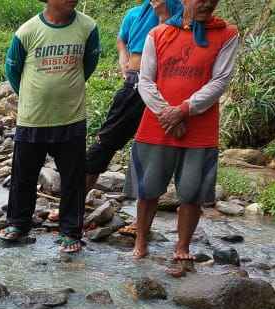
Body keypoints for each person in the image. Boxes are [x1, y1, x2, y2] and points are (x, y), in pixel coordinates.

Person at [129, 0, 239, 260]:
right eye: (201, 0)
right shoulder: (158, 33)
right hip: (157, 125)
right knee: (148, 189)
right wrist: (167, 113)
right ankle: (141, 242)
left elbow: (220, 80)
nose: (208, 4)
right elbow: (145, 80)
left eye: (213, 0)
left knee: (192, 192)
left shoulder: (227, 34)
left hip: (199, 128)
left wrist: (184, 109)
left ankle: (182, 247)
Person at [0, 0, 100, 254]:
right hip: (33, 117)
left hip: (71, 116)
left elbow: (89, 63)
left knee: (73, 177)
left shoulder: (88, 27)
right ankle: (18, 223)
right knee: (24, 175)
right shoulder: (27, 31)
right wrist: (31, 95)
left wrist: (67, 87)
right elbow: (12, 69)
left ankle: (70, 231)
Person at [85, 0, 182, 191]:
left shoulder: (183, 13)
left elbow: (174, 46)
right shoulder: (135, 14)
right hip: (134, 85)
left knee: (158, 149)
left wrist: (164, 16)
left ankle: (145, 216)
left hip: (166, 87)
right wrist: (124, 60)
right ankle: (73, 203)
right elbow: (122, 40)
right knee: (106, 141)